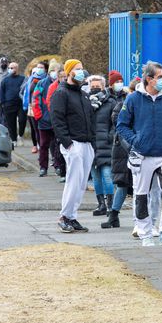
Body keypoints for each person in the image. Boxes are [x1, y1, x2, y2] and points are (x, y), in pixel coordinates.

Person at [116, 61, 162, 247]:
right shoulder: (133, 99)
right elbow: (121, 125)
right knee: (141, 194)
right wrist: (135, 141)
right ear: (148, 79)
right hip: (143, 155)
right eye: (159, 77)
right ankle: (145, 233)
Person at [50, 59, 95, 234]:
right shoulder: (61, 93)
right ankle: (64, 216)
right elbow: (57, 120)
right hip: (73, 143)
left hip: (86, 143)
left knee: (81, 182)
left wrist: (92, 141)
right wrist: (67, 143)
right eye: (77, 69)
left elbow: (90, 118)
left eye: (82, 69)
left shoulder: (82, 94)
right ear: (69, 72)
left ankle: (72, 215)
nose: (81, 72)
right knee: (73, 181)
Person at [102, 70, 131, 229]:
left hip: (125, 147)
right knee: (122, 183)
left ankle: (114, 215)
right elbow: (117, 125)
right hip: (123, 149)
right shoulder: (122, 106)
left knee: (127, 185)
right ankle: (113, 215)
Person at [88, 75, 116, 217]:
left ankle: (111, 205)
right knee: (96, 177)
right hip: (91, 145)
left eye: (97, 86)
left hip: (106, 144)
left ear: (104, 86)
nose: (95, 89)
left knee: (106, 175)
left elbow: (115, 123)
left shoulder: (110, 102)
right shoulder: (85, 102)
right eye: (92, 87)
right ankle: (101, 205)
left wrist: (109, 137)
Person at [31, 64, 60, 176]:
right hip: (44, 121)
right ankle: (43, 167)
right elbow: (35, 100)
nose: (54, 72)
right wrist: (39, 117)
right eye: (52, 70)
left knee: (57, 145)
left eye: (55, 70)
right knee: (43, 145)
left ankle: (58, 166)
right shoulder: (41, 83)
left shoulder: (60, 84)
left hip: (56, 121)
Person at [0, 63, 26, 147]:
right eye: (9, 68)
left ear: (17, 68)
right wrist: (3, 103)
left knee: (22, 120)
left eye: (13, 68)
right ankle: (14, 139)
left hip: (20, 103)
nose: (11, 69)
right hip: (9, 104)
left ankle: (20, 135)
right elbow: (1, 92)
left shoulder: (23, 78)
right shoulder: (5, 80)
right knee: (11, 123)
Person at [23, 62, 48, 153]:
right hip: (31, 107)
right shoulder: (31, 79)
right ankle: (36, 145)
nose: (39, 69)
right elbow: (26, 92)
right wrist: (26, 104)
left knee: (40, 128)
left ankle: (42, 146)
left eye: (41, 67)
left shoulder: (46, 80)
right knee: (34, 128)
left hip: (42, 107)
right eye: (38, 67)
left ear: (45, 69)